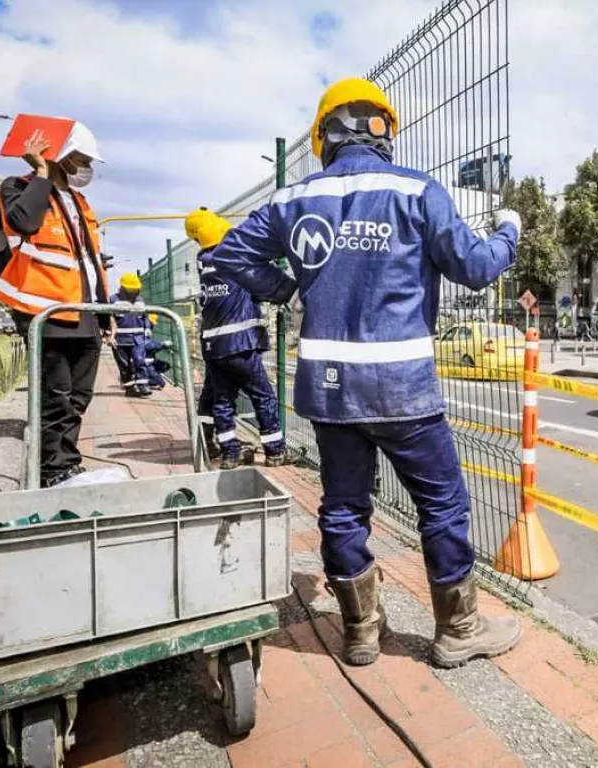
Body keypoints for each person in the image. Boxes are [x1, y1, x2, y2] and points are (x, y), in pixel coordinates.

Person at [211, 78, 523, 669]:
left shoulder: (290, 200)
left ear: (323, 136)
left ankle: (360, 633)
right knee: (443, 506)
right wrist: (508, 231)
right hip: (403, 388)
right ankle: (458, 628)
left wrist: (290, 289)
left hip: (329, 390)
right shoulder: (416, 190)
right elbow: (477, 268)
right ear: (383, 130)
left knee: (344, 507)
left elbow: (227, 253)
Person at [0, 121, 110, 488]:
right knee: (55, 397)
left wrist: (105, 313)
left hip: (85, 313)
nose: (84, 165)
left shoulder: (79, 201)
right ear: (59, 155)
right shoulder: (20, 188)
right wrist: (41, 173)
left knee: (78, 397)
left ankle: (66, 464)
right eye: (80, 158)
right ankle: (53, 470)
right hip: (46, 312)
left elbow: (90, 260)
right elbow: (24, 222)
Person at [186, 209, 286, 470]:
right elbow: (262, 279)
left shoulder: (203, 260)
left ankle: (230, 453)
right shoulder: (231, 260)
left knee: (222, 401)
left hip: (214, 347)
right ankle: (275, 451)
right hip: (241, 345)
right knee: (263, 396)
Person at [109, 272, 153, 397]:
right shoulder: (113, 300)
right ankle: (130, 388)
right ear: (123, 288)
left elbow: (145, 316)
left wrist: (148, 328)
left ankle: (143, 385)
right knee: (124, 365)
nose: (134, 292)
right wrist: (109, 335)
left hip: (138, 338)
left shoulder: (140, 300)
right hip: (120, 339)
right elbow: (109, 318)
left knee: (140, 360)